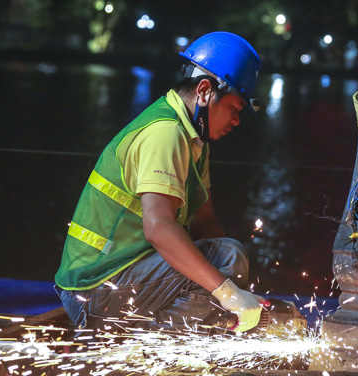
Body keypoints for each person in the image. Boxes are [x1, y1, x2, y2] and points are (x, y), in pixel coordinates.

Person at [54, 31, 265, 333]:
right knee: (228, 258)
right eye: (234, 108)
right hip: (94, 293)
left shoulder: (195, 142)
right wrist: (228, 292)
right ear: (205, 91)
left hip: (125, 280)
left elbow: (206, 225)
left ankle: (196, 328)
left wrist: (237, 290)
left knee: (227, 257)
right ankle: (152, 336)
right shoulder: (166, 133)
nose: (236, 120)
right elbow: (159, 228)